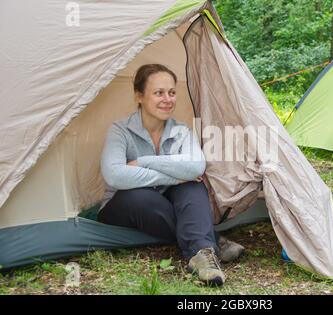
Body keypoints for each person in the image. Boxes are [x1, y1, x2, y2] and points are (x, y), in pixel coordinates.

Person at [97, 64, 244, 286]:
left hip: (163, 206)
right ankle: (211, 240)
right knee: (140, 195)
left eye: (172, 92)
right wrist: (175, 176)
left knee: (193, 186)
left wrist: (145, 162)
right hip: (123, 205)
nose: (168, 99)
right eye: (158, 93)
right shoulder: (121, 130)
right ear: (139, 96)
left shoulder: (181, 130)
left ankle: (202, 257)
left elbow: (196, 168)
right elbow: (115, 176)